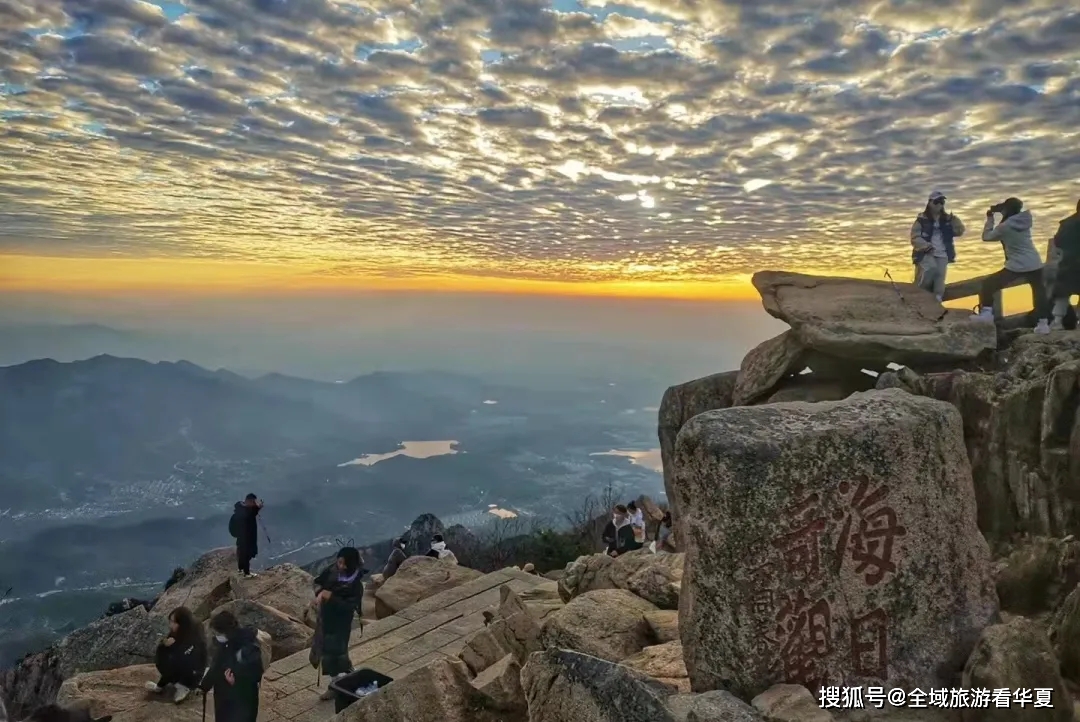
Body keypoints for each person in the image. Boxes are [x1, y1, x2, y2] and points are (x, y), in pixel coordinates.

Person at [972, 197, 1051, 334]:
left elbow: (987, 237)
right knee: (1039, 293)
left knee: (989, 284)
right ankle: (1043, 324)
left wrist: (990, 218)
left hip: (1017, 264)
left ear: (1007, 209)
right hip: (1035, 262)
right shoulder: (1024, 221)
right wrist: (1000, 210)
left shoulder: (1005, 226)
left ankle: (987, 315)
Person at [312, 547, 367, 700]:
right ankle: (336, 684)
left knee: (339, 654)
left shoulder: (356, 585)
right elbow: (317, 583)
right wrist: (319, 594)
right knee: (327, 655)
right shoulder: (331, 571)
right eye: (339, 562)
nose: (341, 566)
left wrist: (331, 598)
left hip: (341, 624)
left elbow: (350, 606)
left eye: (345, 564)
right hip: (326, 619)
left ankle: (349, 682)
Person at [200, 610, 264, 722]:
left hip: (242, 700)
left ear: (226, 632)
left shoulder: (248, 647)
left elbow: (256, 674)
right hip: (224, 696)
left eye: (217, 633)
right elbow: (216, 666)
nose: (216, 636)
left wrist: (236, 681)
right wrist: (204, 686)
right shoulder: (225, 644)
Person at [911, 190, 966, 302]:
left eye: (942, 202)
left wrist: (955, 221)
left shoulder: (947, 219)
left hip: (943, 253)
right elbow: (914, 237)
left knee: (940, 277)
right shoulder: (921, 219)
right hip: (926, 252)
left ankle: (937, 300)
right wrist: (926, 246)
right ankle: (919, 295)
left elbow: (959, 231)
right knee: (928, 271)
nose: (939, 205)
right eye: (937, 202)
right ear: (930, 203)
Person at [145, 606, 207, 703]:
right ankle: (165, 685)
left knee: (173, 660)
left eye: (174, 622)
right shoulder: (178, 632)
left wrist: (173, 646)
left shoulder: (195, 637)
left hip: (193, 673)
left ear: (182, 623)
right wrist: (164, 645)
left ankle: (184, 687)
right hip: (180, 665)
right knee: (163, 654)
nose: (171, 625)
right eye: (170, 621)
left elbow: (185, 658)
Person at [1050, 199, 1080, 330]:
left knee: (1062, 294)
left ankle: (1057, 321)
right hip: (1075, 263)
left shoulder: (1066, 223)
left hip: (1067, 264)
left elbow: (1057, 242)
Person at [229, 493, 263, 578]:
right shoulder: (245, 511)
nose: (254, 503)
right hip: (246, 536)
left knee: (242, 553)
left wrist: (257, 508)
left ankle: (240, 569)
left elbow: (251, 513)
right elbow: (250, 514)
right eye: (253, 501)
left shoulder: (242, 509)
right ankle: (246, 573)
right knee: (246, 554)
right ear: (248, 501)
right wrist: (258, 507)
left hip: (243, 536)